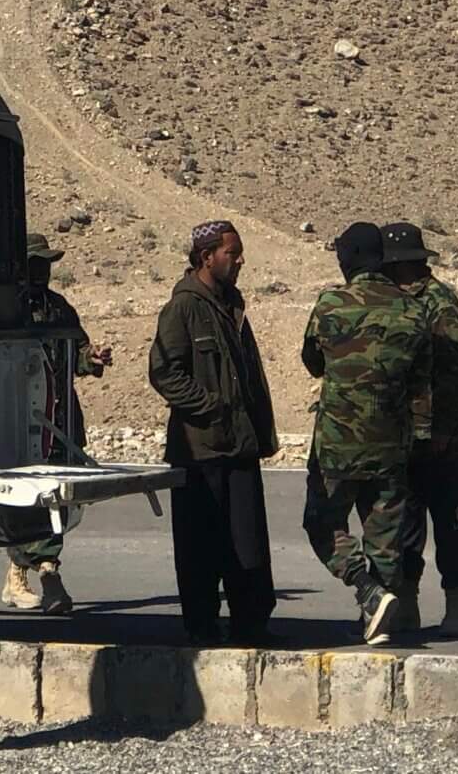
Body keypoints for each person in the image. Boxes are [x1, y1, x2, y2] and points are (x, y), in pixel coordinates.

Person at [148, 220, 278, 645]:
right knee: (199, 548)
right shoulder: (183, 308)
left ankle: (250, 623)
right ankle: (201, 627)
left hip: (239, 444)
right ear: (207, 258)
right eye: (232, 253)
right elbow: (164, 372)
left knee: (248, 543)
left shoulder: (232, 306)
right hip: (200, 449)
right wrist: (211, 406)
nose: (240, 261)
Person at [300, 222, 425, 645]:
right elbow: (421, 381)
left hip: (338, 443)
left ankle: (367, 590)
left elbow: (313, 362)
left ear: (348, 259)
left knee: (322, 521)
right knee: (385, 535)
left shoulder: (331, 304)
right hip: (391, 443)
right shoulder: (411, 310)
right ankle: (382, 615)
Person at [2, 232, 111, 615]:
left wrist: (92, 359)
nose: (43, 271)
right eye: (36, 264)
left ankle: (19, 572)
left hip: (61, 420)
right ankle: (50, 575)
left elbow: (77, 353)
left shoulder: (60, 309)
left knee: (58, 499)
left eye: (46, 264)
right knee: (31, 499)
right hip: (22, 422)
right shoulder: (3, 311)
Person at [387, 222, 458, 637]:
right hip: (412, 436)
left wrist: (442, 427)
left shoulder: (438, 303)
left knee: (451, 521)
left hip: (442, 438)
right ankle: (407, 605)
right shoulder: (402, 302)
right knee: (407, 522)